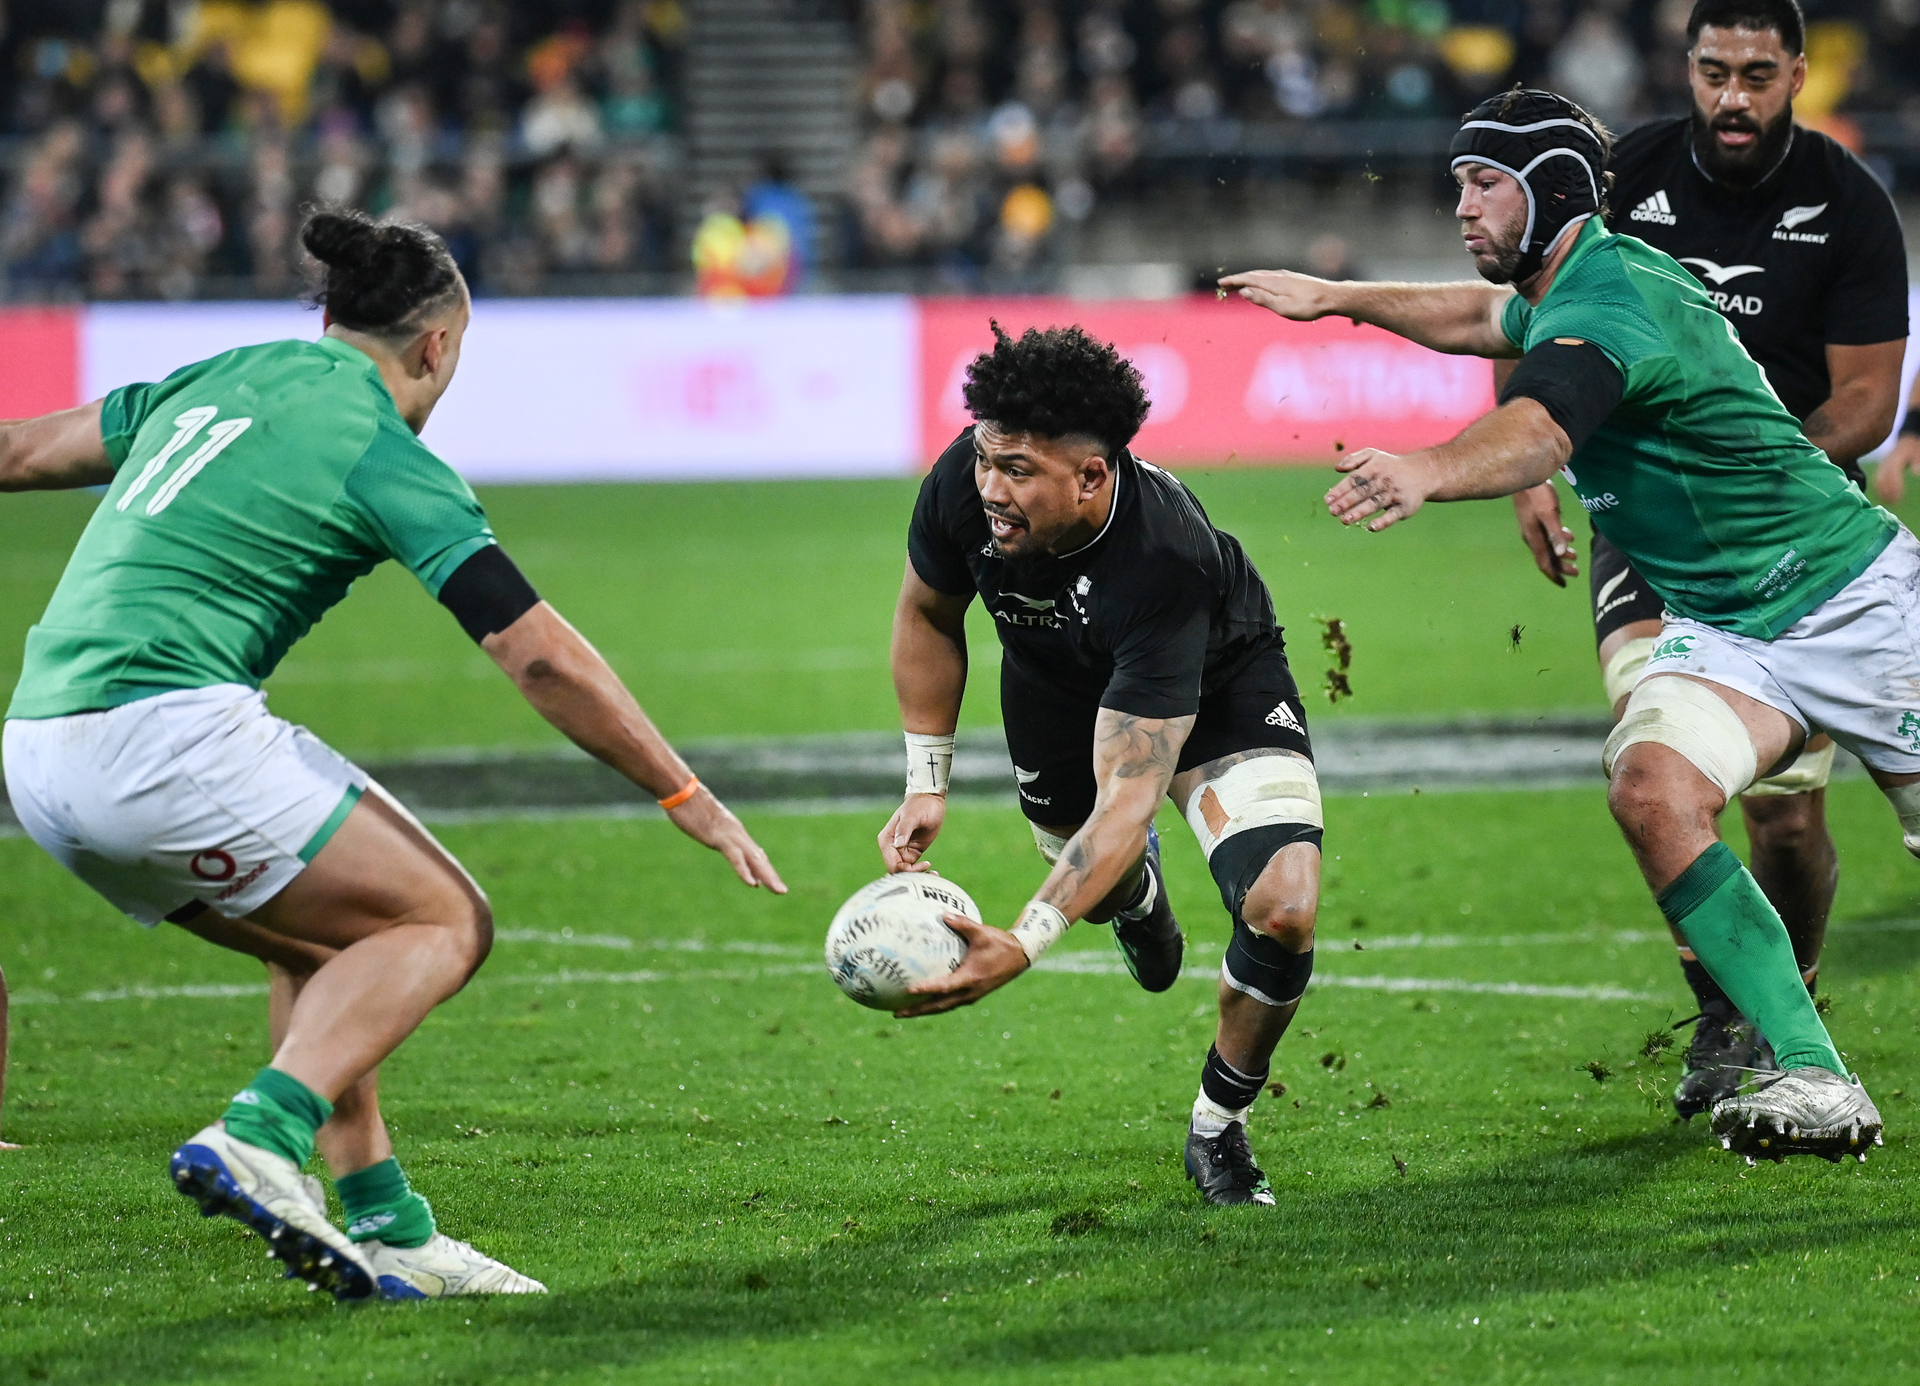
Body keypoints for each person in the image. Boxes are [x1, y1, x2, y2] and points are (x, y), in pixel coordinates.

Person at [0, 208, 787, 1299]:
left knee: (328, 944)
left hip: (39, 752)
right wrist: (681, 790)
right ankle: (259, 1137)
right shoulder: (381, 447)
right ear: (437, 346)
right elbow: (539, 659)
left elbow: (20, 451)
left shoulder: (223, 374)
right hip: (159, 734)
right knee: (443, 920)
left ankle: (386, 1225)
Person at [1223, 87, 1894, 1163]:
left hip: (1848, 601)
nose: (1461, 207)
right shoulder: (1565, 284)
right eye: (1457, 185)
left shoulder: (1611, 297)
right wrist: (1336, 296)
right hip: (1736, 624)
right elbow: (1477, 317)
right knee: (1653, 787)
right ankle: (1811, 1069)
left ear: (1558, 192)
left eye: (1484, 183)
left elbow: (1539, 429)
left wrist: (1428, 469)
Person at [1504, 0, 1909, 1119]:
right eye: (1715, 71)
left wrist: (1761, 462)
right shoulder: (1622, 175)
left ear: (1798, 74)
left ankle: (1796, 1002)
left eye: (1759, 75)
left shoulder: (1849, 203)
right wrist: (1535, 467)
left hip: (1794, 534)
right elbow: (1537, 319)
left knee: (1785, 811)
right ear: (1685, 68)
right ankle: (1732, 1011)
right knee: (1656, 737)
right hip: (1649, 529)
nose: (1735, 97)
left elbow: (1870, 397)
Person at [879, 323, 1325, 1206]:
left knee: (1284, 908)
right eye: (984, 458)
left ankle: (1217, 1129)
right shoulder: (964, 488)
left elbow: (1129, 797)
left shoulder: (1163, 559)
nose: (990, 489)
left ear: (1091, 476)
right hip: (1050, 681)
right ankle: (1140, 904)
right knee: (1101, 877)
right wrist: (926, 780)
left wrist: (1024, 941)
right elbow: (928, 612)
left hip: (1215, 679)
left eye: (1017, 471)